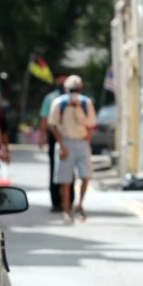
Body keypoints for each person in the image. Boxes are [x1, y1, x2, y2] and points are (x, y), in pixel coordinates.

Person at [47, 75, 96, 224]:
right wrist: (61, 145)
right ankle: (66, 210)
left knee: (85, 175)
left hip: (81, 142)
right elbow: (53, 124)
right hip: (65, 142)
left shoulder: (85, 103)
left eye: (77, 89)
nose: (74, 92)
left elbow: (90, 124)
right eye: (72, 89)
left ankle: (80, 204)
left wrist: (78, 109)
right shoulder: (58, 103)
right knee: (65, 180)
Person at [38, 75, 74, 210]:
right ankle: (56, 202)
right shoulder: (50, 98)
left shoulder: (75, 100)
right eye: (60, 80)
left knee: (70, 170)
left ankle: (68, 201)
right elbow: (44, 118)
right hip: (54, 136)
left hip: (70, 136)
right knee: (55, 169)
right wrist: (42, 136)